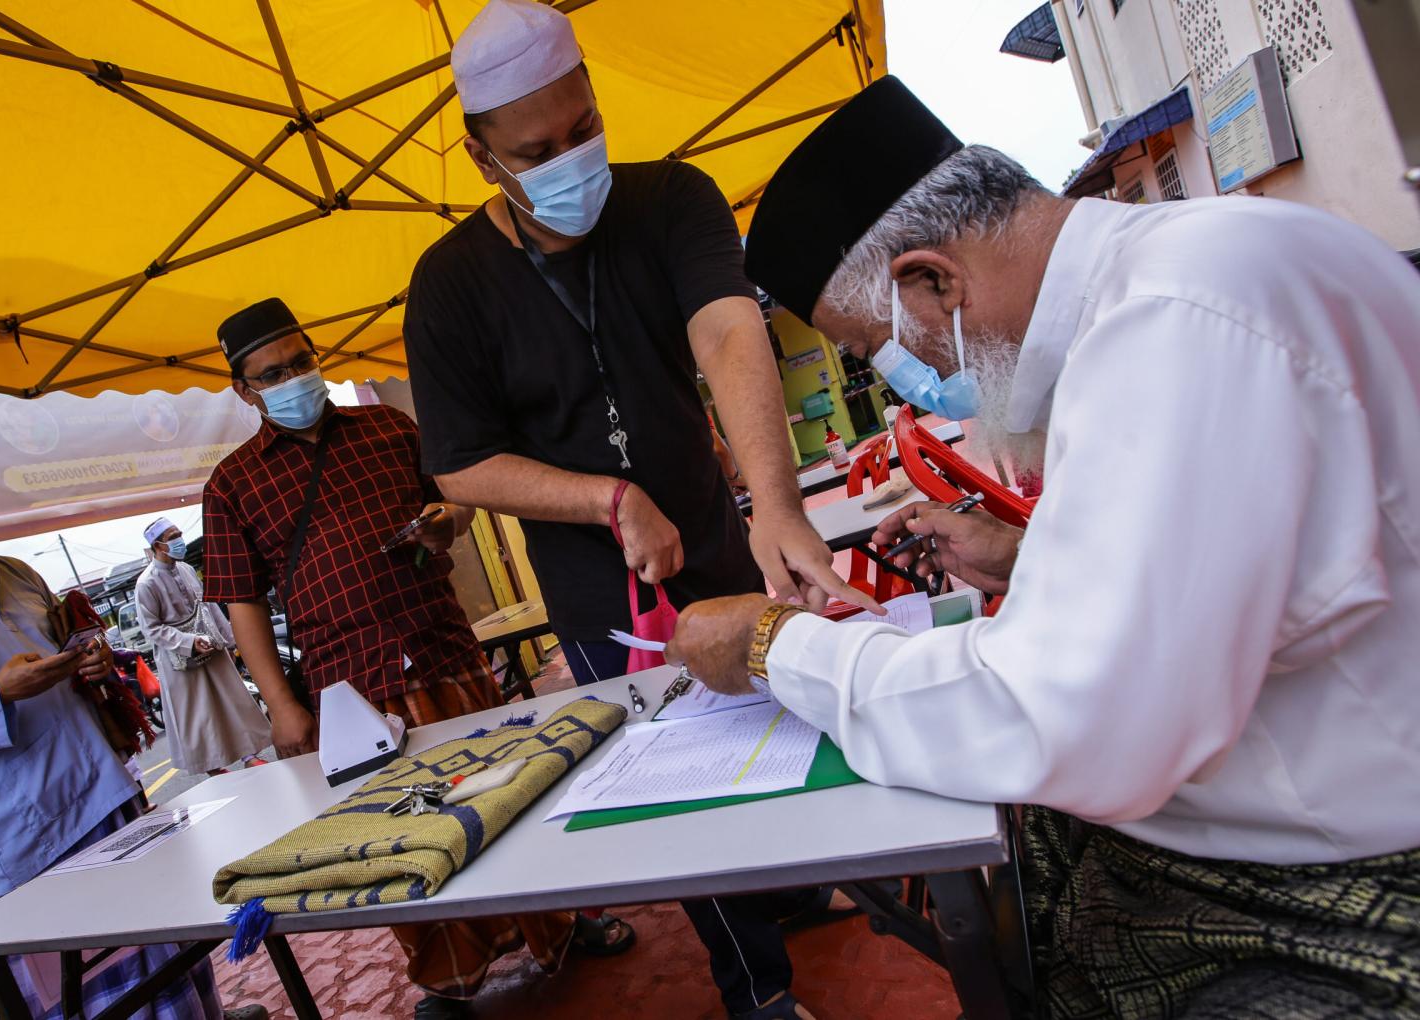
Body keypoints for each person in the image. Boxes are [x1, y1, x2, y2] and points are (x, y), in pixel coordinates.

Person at [667, 76, 1420, 1018]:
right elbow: (1273, 554)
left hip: (1338, 878)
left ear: (930, 282)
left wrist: (777, 645)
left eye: (877, 353)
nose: (907, 386)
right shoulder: (1195, 266)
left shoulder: (1172, 321)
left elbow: (1063, 718)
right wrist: (1030, 555)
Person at [402, 4, 863, 1017]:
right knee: (682, 771)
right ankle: (759, 991)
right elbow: (459, 466)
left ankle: (793, 882)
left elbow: (729, 335)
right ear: (486, 162)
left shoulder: (668, 200)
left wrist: (774, 504)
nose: (573, 160)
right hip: (596, 577)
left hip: (712, 523)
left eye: (582, 129)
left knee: (782, 705)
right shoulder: (449, 286)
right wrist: (607, 498)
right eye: (538, 152)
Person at [201, 297, 632, 1019]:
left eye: (302, 360)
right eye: (273, 373)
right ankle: (447, 978)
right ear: (245, 390)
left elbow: (456, 500)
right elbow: (240, 599)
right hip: (351, 691)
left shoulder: (388, 427)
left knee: (510, 796)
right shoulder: (232, 484)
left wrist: (446, 525)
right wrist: (282, 706)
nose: (294, 378)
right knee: (391, 838)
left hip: (442, 648)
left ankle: (565, 922)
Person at [0, 443, 263, 1020]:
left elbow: (67, 653)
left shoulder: (19, 575)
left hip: (106, 794)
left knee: (174, 952)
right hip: (24, 832)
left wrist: (87, 665)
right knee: (101, 988)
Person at [134, 517, 271, 777]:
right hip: (180, 658)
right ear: (157, 545)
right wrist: (187, 643)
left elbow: (207, 605)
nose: (178, 541)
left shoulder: (185, 569)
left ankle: (248, 754)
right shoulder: (146, 584)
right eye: (172, 536)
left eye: (179, 534)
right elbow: (151, 628)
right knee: (200, 715)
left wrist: (230, 640)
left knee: (231, 699)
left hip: (211, 644)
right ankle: (211, 765)